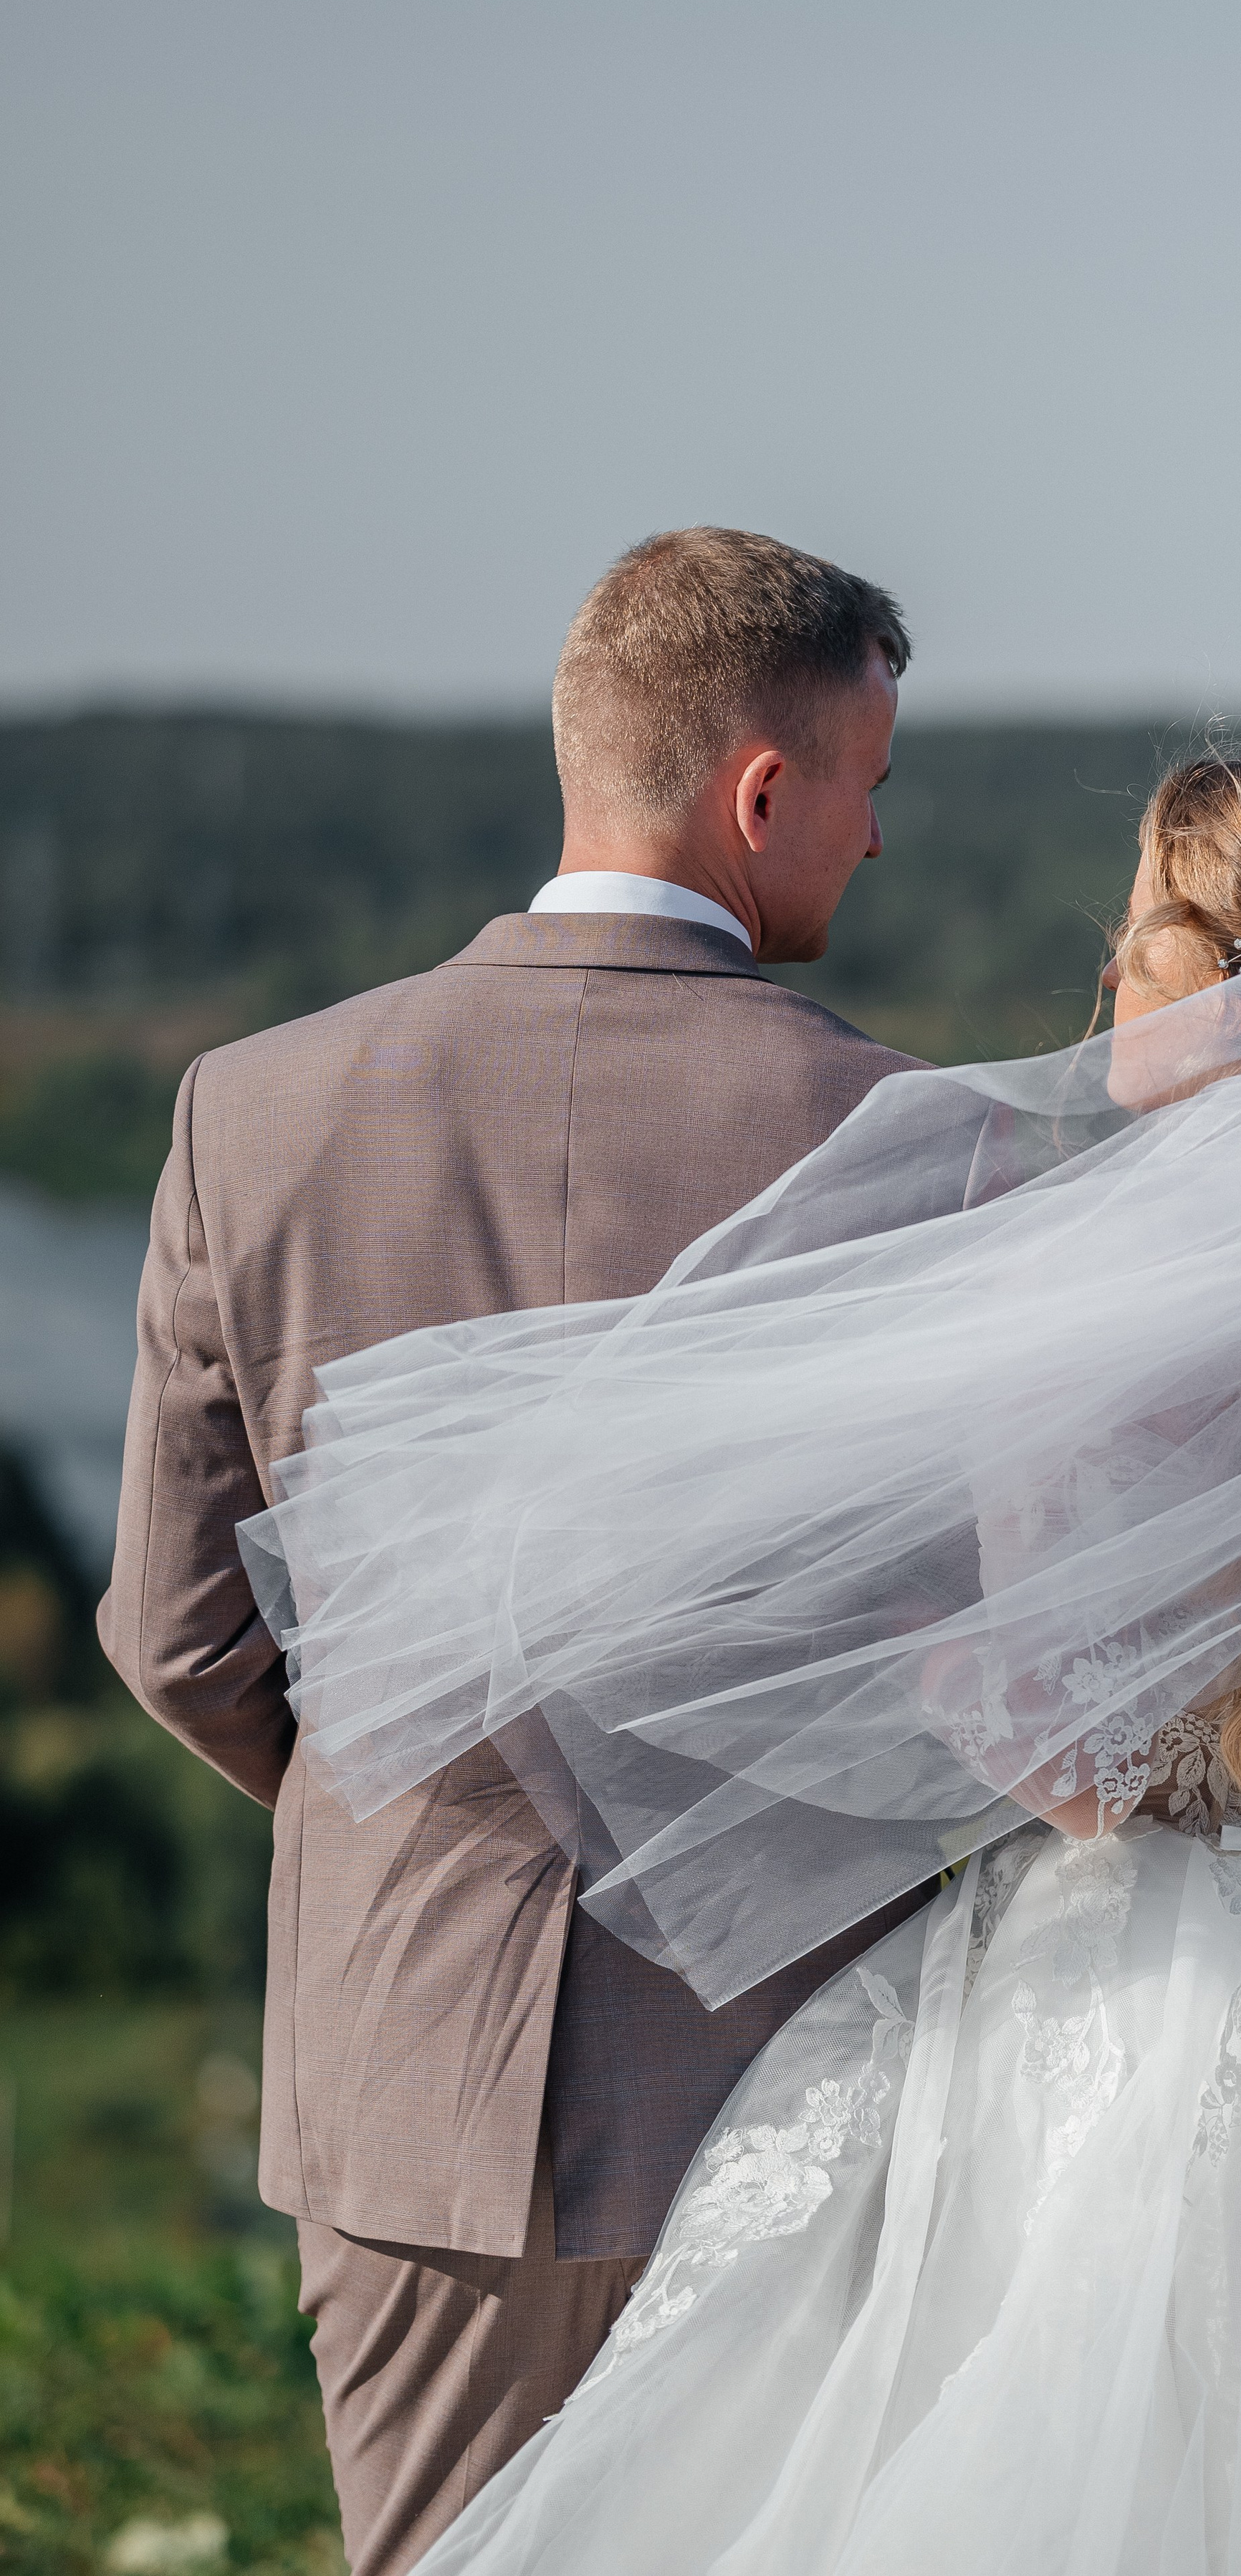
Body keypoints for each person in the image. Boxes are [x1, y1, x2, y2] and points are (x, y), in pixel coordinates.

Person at [244, 750, 1241, 2572]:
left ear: (1239, 967)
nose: (1100, 974)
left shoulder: (1097, 1320)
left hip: (1138, 2000)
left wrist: (919, 1670)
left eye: (1141, 928)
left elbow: (1076, 1764)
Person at [99, 527, 930, 2576]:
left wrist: (415, 1812)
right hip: (783, 2079)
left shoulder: (251, 1109)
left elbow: (177, 1627)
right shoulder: (913, 1145)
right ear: (761, 790)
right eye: (871, 786)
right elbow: (959, 1652)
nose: (878, 839)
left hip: (402, 2081)